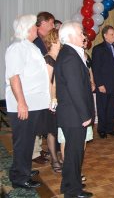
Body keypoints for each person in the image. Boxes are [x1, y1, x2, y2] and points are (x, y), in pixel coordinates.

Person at [5, 14, 50, 189]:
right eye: (34, 25)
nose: (36, 28)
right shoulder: (17, 48)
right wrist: (21, 103)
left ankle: (23, 169)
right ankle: (19, 177)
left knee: (28, 141)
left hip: (35, 103)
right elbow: (14, 77)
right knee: (22, 142)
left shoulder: (29, 46)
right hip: (25, 104)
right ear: (27, 28)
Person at [55, 21, 94, 198]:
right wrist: (85, 115)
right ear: (70, 36)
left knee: (73, 153)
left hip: (72, 113)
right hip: (74, 115)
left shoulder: (69, 53)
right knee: (74, 154)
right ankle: (72, 191)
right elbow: (75, 88)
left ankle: (69, 186)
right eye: (80, 33)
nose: (84, 35)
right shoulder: (70, 55)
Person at [32, 11, 55, 164]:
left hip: (45, 85)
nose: (53, 26)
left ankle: (39, 149)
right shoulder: (35, 41)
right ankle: (34, 153)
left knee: (41, 120)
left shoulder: (44, 39)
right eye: (52, 23)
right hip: (37, 86)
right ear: (44, 23)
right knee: (35, 120)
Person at [92, 25, 114, 138]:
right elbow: (96, 68)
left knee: (111, 108)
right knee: (102, 107)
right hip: (103, 84)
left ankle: (110, 128)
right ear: (105, 35)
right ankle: (102, 129)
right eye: (112, 34)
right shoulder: (98, 49)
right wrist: (99, 84)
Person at [42, 28, 63, 173]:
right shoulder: (48, 58)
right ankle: (54, 159)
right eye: (59, 38)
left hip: (61, 98)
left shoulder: (60, 57)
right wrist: (52, 100)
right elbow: (48, 82)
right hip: (52, 100)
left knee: (58, 129)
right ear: (54, 40)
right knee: (52, 130)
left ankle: (59, 155)